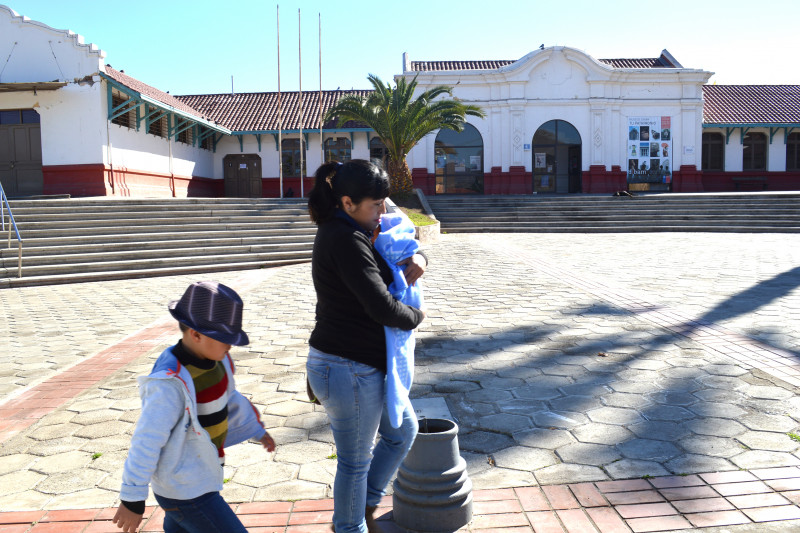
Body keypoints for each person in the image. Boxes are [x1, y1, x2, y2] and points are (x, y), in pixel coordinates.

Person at [306, 159, 427, 533]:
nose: (382, 212)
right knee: (354, 462)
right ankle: (350, 525)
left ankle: (366, 503)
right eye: (375, 205)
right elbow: (381, 307)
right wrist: (417, 316)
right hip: (347, 367)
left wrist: (421, 256)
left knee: (402, 431)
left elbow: (403, 241)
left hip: (357, 364)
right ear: (346, 202)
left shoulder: (357, 229)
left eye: (382, 203)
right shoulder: (343, 238)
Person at [113, 281, 276, 533]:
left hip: (198, 478)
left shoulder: (219, 362)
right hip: (185, 489)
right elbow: (147, 439)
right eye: (223, 338)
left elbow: (229, 398)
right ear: (195, 334)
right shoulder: (169, 383)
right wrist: (132, 498)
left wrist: (254, 428)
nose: (230, 345)